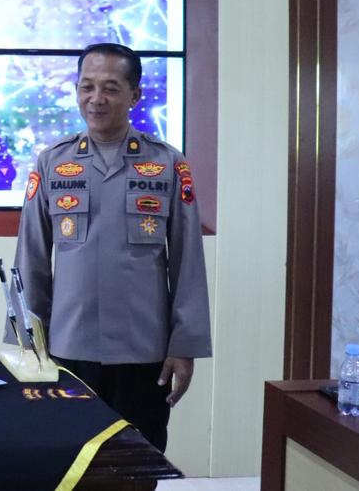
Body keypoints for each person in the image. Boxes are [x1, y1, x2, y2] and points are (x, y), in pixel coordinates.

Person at [13, 42, 211, 452]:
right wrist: (29, 342)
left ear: (134, 95)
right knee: (67, 461)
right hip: (68, 350)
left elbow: (188, 260)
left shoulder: (168, 164)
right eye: (86, 86)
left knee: (138, 461)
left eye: (110, 88)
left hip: (143, 353)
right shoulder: (52, 162)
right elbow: (31, 259)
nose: (96, 99)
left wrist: (184, 345)